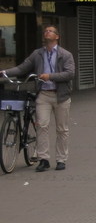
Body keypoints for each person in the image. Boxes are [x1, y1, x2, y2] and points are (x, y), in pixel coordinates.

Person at [1, 25, 74, 172]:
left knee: (62, 129)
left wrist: (50, 76)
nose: (47, 32)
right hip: (44, 95)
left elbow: (70, 73)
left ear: (57, 36)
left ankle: (61, 159)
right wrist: (4, 72)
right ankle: (43, 159)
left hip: (61, 96)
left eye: (50, 31)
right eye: (45, 31)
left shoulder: (65, 55)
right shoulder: (37, 54)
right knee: (42, 126)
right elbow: (22, 68)